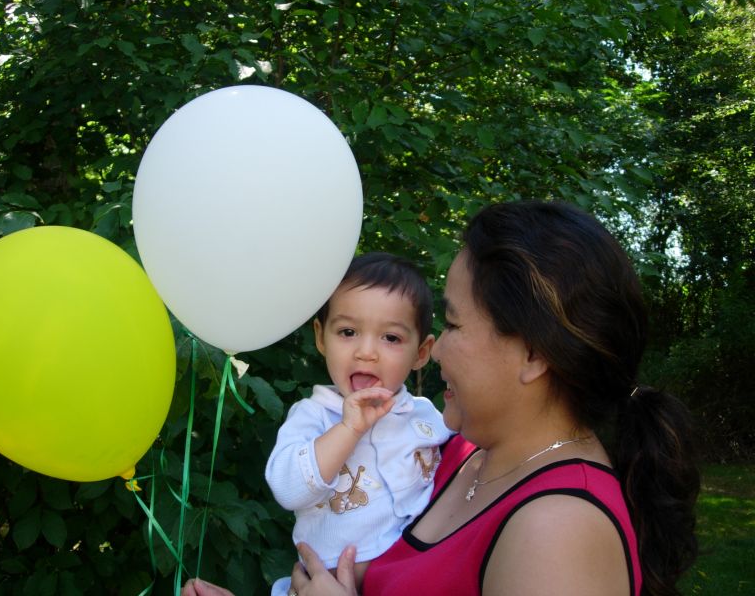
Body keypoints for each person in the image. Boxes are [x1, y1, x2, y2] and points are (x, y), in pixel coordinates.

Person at [183, 200, 699, 596]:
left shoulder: (558, 529)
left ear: (534, 354)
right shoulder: (450, 454)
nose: (436, 348)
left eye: (452, 323)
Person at [265, 252, 452, 594]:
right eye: (348, 331)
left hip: (408, 579)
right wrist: (348, 430)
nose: (366, 351)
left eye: (391, 338)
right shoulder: (315, 416)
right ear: (321, 337)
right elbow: (287, 489)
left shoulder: (425, 416)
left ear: (421, 353)